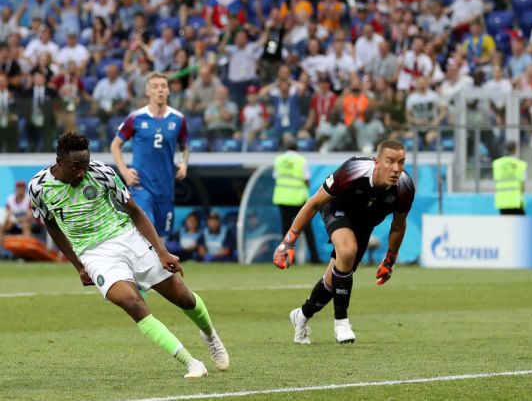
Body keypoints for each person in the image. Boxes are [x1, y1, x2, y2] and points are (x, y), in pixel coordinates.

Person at [28, 132, 228, 378]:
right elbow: (52, 225)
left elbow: (136, 212)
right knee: (131, 303)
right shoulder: (38, 187)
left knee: (184, 299)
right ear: (59, 163)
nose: (81, 172)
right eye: (75, 168)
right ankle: (191, 362)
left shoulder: (102, 173)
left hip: (127, 238)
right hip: (94, 254)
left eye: (85, 166)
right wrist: (79, 266)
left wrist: (162, 252)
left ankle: (210, 336)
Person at [273, 139, 415, 344]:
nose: (396, 169)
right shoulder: (353, 169)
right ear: (377, 162)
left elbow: (399, 225)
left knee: (335, 278)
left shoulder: (405, 187)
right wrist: (288, 241)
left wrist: (390, 259)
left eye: (401, 162)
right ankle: (341, 322)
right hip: (337, 210)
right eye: (390, 161)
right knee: (347, 253)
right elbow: (313, 203)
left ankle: (301, 316)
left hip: (364, 224)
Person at [111, 72, 189, 239]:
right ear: (148, 91)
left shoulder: (178, 119)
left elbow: (184, 146)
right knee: (146, 227)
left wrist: (183, 164)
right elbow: (115, 145)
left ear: (168, 91)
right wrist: (124, 171)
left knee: (160, 236)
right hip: (141, 184)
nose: (160, 90)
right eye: (155, 87)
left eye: (163, 86)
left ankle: (156, 265)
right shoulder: (136, 117)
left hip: (166, 186)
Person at [272, 134, 319, 264]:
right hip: (298, 199)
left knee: (286, 231)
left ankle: (284, 259)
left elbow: (276, 177)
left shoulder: (279, 159)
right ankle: (314, 258)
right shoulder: (301, 160)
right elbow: (307, 180)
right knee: (307, 230)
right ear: (297, 148)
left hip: (282, 198)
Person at [492, 141, 527, 215]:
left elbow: (495, 181)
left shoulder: (497, 164)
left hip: (502, 201)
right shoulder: (520, 164)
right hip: (516, 201)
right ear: (515, 150)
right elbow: (523, 184)